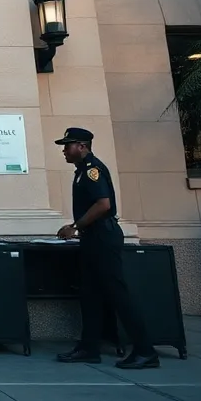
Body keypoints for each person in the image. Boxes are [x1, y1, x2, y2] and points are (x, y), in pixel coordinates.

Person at [53, 127, 159, 370]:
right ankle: (89, 348)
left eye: (68, 145)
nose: (64, 150)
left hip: (103, 236)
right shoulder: (82, 171)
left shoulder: (93, 170)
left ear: (82, 146)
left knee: (117, 293)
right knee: (90, 294)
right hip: (92, 238)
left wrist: (75, 226)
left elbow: (103, 204)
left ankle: (145, 351)